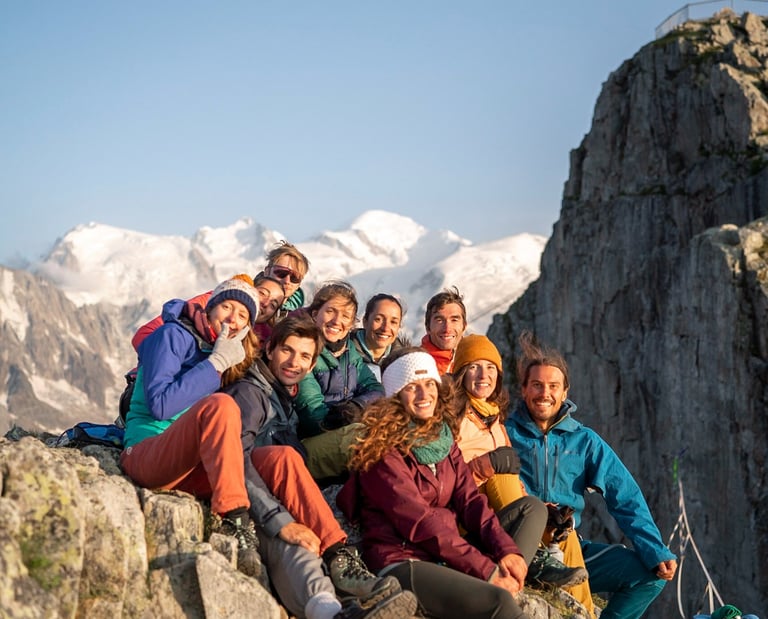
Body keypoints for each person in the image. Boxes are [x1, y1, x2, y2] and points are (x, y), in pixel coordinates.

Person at [221, 314, 416, 619]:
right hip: (250, 503)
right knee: (295, 546)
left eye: (304, 356)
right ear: (270, 349)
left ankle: (336, 609)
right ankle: (336, 592)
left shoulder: (283, 396)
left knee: (305, 547)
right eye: (287, 350)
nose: (293, 362)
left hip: (273, 496)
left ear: (312, 365)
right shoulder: (251, 394)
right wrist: (278, 518)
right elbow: (233, 461)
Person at [338, 347, 547, 619]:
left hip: (445, 554)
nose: (425, 395)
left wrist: (506, 551)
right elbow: (420, 523)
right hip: (403, 562)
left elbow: (471, 502)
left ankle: (506, 580)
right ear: (396, 396)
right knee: (498, 602)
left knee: (532, 509)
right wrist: (487, 570)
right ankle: (495, 591)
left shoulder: (443, 439)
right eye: (413, 388)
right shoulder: (382, 451)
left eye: (429, 384)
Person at [505, 331, 678, 619]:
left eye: (553, 386)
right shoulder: (505, 433)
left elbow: (625, 496)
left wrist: (654, 550)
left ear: (565, 392)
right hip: (518, 545)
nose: (544, 393)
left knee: (650, 576)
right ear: (523, 389)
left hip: (569, 548)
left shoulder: (585, 441)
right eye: (536, 385)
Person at [120, 275, 263, 576]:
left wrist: (219, 360)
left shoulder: (213, 348)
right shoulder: (173, 336)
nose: (233, 319)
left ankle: (333, 552)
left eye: (243, 315)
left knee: (280, 461)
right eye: (227, 307)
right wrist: (215, 364)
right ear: (209, 308)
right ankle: (236, 518)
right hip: (146, 452)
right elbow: (160, 405)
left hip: (183, 465)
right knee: (222, 406)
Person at [450, 335, 589, 596]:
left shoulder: (494, 422)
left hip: (494, 517)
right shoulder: (450, 417)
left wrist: (546, 512)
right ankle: (534, 555)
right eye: (474, 367)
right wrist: (486, 466)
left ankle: (587, 613)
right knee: (501, 473)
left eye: (490, 367)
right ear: (460, 373)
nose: (483, 375)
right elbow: (441, 481)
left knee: (563, 533)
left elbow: (512, 482)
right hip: (465, 520)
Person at [294, 281, 384, 480]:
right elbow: (313, 416)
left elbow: (376, 389)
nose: (337, 321)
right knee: (368, 438)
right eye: (331, 311)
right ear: (315, 313)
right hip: (308, 442)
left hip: (345, 431)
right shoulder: (304, 349)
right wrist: (346, 416)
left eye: (345, 316)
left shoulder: (349, 352)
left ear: (352, 324)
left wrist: (355, 407)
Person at [131, 272, 286, 349]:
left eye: (273, 304)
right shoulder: (209, 305)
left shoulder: (260, 335)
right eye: (262, 293)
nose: (265, 303)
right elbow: (143, 335)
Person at [351, 293, 408, 382]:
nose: (385, 328)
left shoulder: (404, 362)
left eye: (393, 322)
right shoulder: (344, 354)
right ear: (365, 321)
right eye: (378, 319)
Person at [420, 287, 467, 374]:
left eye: (454, 320)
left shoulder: (473, 364)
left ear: (464, 326)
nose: (447, 328)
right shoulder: (416, 366)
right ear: (428, 327)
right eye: (439, 320)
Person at [262, 240, 310, 318]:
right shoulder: (246, 304)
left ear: (299, 284)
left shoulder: (301, 319)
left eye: (295, 277)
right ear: (267, 272)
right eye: (281, 273)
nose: (287, 281)